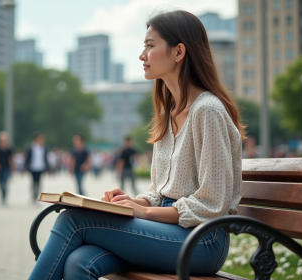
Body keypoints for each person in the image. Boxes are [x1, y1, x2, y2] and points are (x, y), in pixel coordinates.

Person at [28, 10, 245, 280]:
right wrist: (131, 201)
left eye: (150, 46)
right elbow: (160, 191)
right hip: (172, 232)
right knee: (79, 261)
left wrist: (144, 211)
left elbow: (212, 203)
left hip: (202, 240)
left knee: (72, 220)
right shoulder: (169, 114)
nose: (142, 55)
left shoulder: (208, 111)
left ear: (178, 52)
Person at [24, 132, 49, 202]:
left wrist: (48, 168)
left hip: (40, 167)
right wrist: (24, 167)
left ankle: (36, 196)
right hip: (32, 167)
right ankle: (33, 195)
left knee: (38, 182)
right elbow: (27, 158)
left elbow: (46, 158)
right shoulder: (30, 147)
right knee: (33, 182)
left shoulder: (44, 148)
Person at [0, 131, 15, 205]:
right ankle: (2, 194)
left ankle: (4, 196)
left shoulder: (9, 148)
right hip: (0, 168)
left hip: (7, 167)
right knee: (0, 182)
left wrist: (13, 167)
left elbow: (11, 159)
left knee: (5, 182)